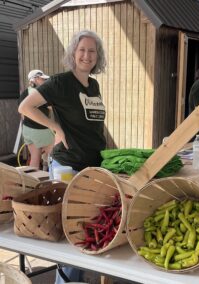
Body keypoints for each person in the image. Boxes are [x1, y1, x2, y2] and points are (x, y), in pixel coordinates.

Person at [18, 29, 107, 283]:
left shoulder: (93, 85)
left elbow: (91, 125)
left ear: (97, 56)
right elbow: (25, 107)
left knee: (85, 229)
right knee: (72, 231)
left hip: (92, 165)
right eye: (81, 50)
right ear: (73, 53)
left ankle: (75, 279)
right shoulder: (60, 82)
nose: (86, 55)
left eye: (92, 51)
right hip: (69, 164)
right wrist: (55, 128)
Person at [18, 70, 54, 169]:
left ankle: (32, 183)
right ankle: (52, 179)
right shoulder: (40, 92)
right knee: (55, 154)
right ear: (36, 79)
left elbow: (22, 113)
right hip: (41, 130)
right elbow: (52, 108)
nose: (45, 81)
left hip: (27, 130)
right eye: (43, 79)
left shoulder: (24, 93)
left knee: (35, 159)